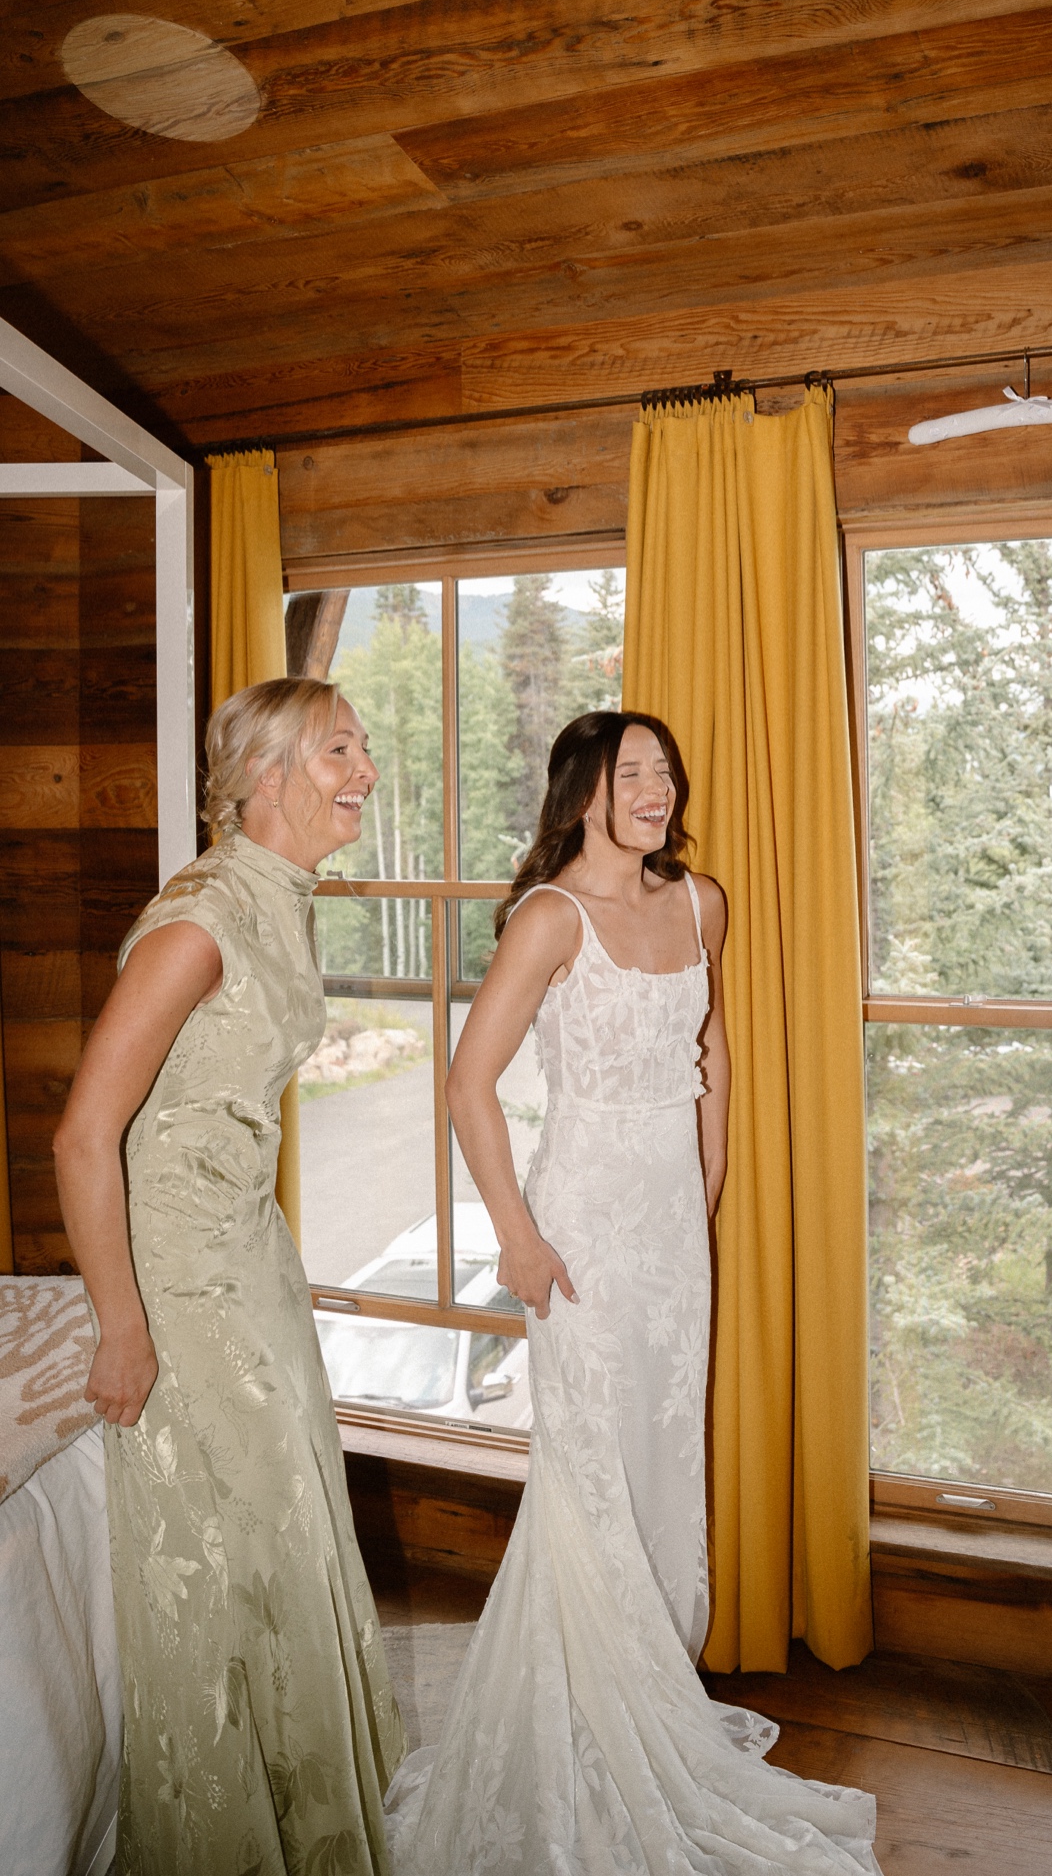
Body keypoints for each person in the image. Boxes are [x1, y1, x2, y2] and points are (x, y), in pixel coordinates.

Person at [385, 709, 880, 1874]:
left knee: (665, 1462)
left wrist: (701, 1197)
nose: (656, 788)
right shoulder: (550, 918)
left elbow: (707, 1062)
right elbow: (468, 1084)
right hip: (581, 1227)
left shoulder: (702, 902)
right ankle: (588, 1731)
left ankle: (656, 1699)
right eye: (632, 771)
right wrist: (515, 1234)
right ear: (583, 791)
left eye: (664, 769)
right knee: (589, 1471)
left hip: (670, 1227)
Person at [53, 677, 406, 1876]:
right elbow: (82, 1131)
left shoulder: (280, 896)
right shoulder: (200, 919)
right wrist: (119, 1324)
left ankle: (304, 1811)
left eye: (362, 745)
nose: (365, 766)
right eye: (340, 748)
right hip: (183, 1273)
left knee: (292, 1519)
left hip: (252, 1249)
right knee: (237, 1545)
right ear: (267, 777)